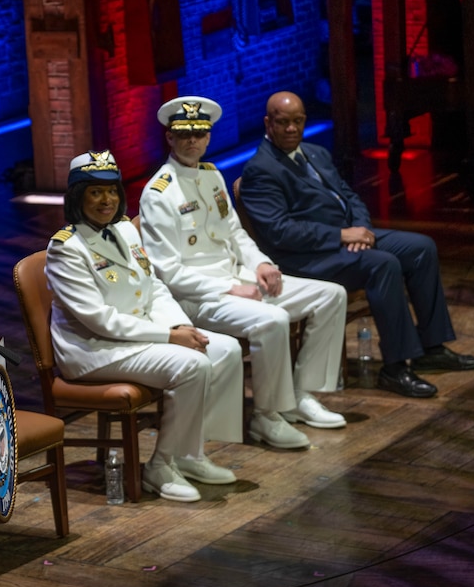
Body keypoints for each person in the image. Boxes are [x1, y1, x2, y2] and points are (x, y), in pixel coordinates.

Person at [238, 91, 474, 399]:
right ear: (268, 123)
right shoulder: (261, 170)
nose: (291, 129)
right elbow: (280, 232)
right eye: (283, 122)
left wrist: (362, 228)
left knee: (421, 248)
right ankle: (395, 368)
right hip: (306, 258)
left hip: (345, 238)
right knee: (383, 264)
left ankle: (431, 348)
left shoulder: (315, 152)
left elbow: (349, 196)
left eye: (298, 121)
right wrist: (341, 236)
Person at [139, 96, 348, 450]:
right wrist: (229, 287)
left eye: (199, 134)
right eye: (183, 134)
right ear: (169, 138)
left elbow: (235, 234)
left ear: (208, 137)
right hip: (197, 298)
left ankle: (300, 397)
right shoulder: (158, 193)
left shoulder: (212, 175)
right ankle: (267, 417)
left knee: (331, 295)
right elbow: (168, 272)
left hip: (239, 281)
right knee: (273, 320)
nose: (192, 141)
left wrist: (261, 264)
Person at [45, 150, 244, 503]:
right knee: (193, 364)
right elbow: (99, 320)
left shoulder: (124, 228)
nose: (106, 200)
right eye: (94, 192)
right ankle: (161, 466)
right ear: (78, 197)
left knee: (225, 349)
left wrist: (181, 325)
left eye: (112, 191)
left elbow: (154, 287)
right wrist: (169, 336)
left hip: (138, 335)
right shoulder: (66, 250)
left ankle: (189, 454)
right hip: (94, 350)